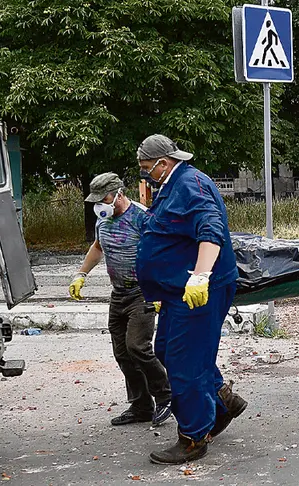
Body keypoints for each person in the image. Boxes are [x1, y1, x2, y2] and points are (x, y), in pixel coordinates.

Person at [135, 135, 247, 465]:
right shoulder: (171, 185)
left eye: (146, 168)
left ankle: (194, 437)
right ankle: (222, 402)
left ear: (163, 163)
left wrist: (200, 276)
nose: (145, 174)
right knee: (166, 350)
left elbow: (211, 227)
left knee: (186, 361)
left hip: (198, 291)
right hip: (176, 292)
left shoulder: (189, 184)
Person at [68, 173, 172, 428]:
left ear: (119, 194)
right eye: (96, 201)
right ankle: (141, 406)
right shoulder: (103, 220)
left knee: (137, 347)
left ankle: (165, 396)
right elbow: (98, 247)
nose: (99, 205)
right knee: (123, 353)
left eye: (103, 199)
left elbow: (161, 253)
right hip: (118, 294)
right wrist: (81, 274)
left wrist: (160, 291)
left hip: (142, 292)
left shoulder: (142, 218)